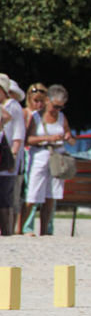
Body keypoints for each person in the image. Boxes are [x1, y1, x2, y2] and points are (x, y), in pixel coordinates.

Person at [23, 84, 75, 236]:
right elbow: (29, 139)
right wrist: (48, 138)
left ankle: (45, 230)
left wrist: (68, 137)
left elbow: (72, 140)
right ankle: (24, 228)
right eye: (55, 106)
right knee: (33, 194)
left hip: (57, 157)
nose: (57, 110)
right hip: (40, 155)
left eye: (61, 107)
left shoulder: (62, 118)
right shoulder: (36, 117)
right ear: (47, 100)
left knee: (51, 196)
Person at [17, 83, 48, 235]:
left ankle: (30, 226)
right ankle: (23, 226)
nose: (39, 104)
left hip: (38, 155)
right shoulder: (25, 113)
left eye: (42, 101)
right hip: (27, 154)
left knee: (36, 192)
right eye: (36, 100)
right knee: (28, 192)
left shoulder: (45, 115)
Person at [0, 74, 26, 235]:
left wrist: (14, 156)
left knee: (5, 195)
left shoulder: (12, 106)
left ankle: (7, 231)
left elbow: (18, 134)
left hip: (6, 155)